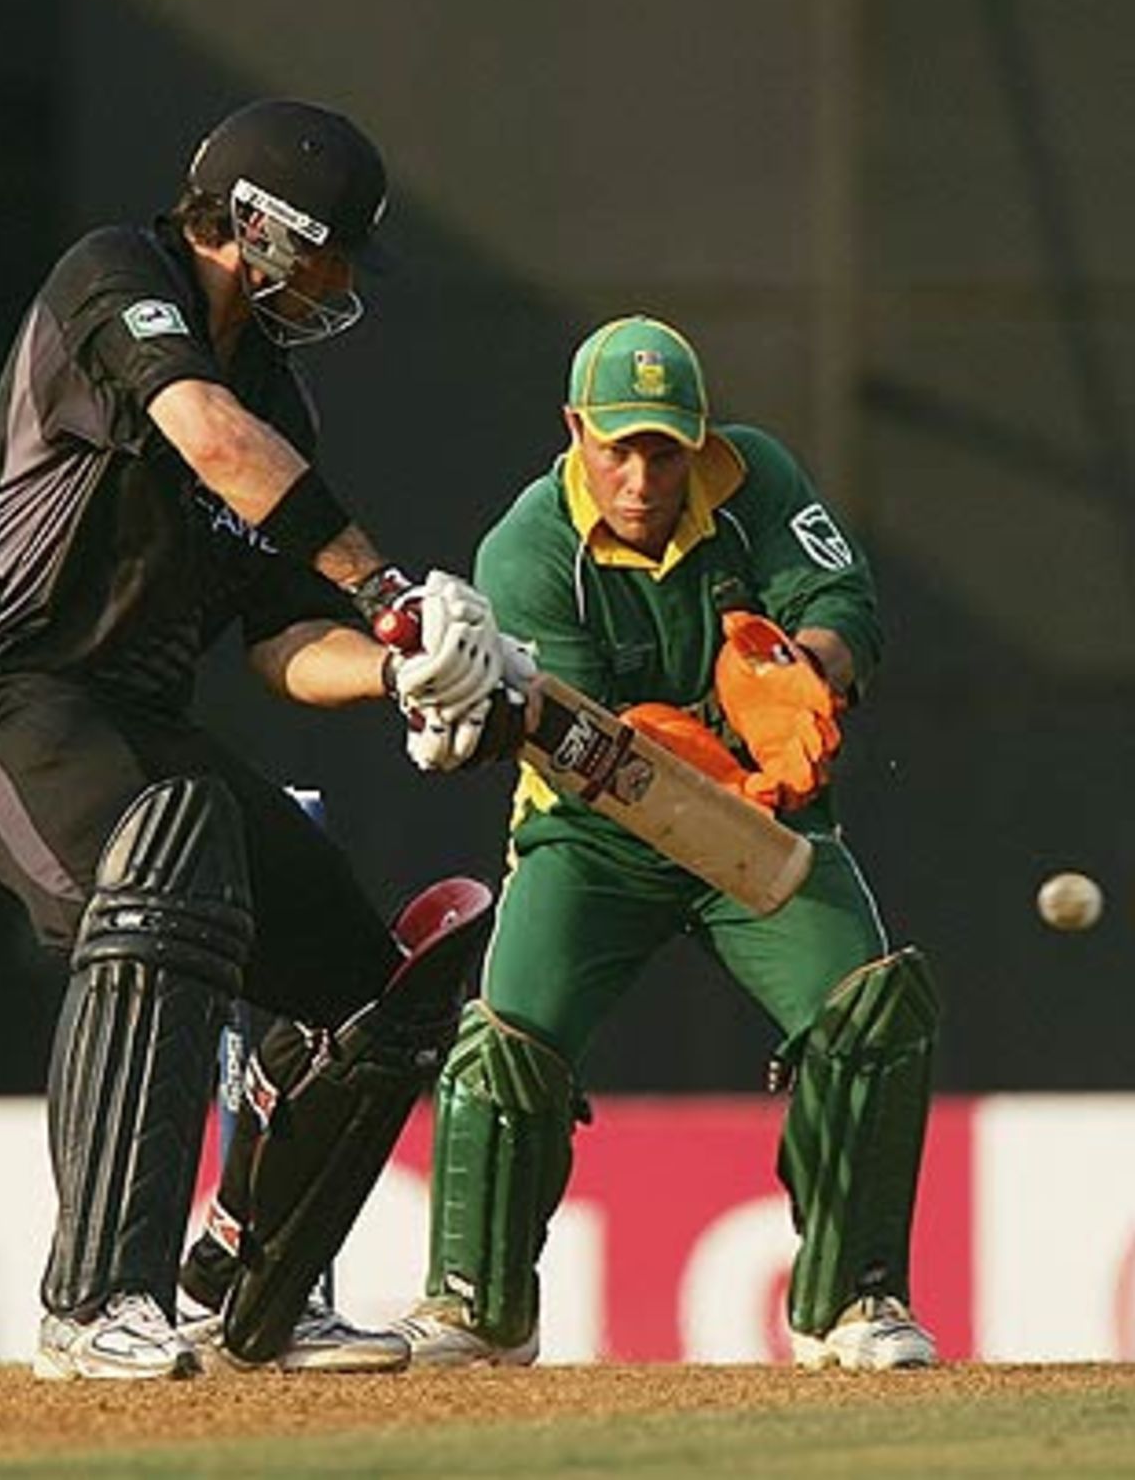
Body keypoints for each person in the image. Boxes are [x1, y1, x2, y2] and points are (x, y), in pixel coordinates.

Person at [0, 97, 519, 1380]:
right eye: (332, 248)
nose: (344, 281)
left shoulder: (276, 392)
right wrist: (390, 589)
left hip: (133, 730)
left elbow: (285, 646)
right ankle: (96, 1304)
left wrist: (405, 670)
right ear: (256, 229)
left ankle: (261, 1288)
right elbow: (207, 440)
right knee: (162, 885)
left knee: (362, 992)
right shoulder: (116, 277)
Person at [392, 314, 941, 1371]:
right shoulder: (528, 548)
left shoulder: (754, 479)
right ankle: (475, 1305)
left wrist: (804, 671)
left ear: (697, 438)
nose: (639, 477)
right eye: (616, 447)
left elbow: (839, 600)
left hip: (762, 827)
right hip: (594, 835)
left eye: (661, 449)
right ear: (573, 432)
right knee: (507, 1040)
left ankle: (852, 1302)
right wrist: (732, 756)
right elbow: (597, 752)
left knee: (871, 1009)